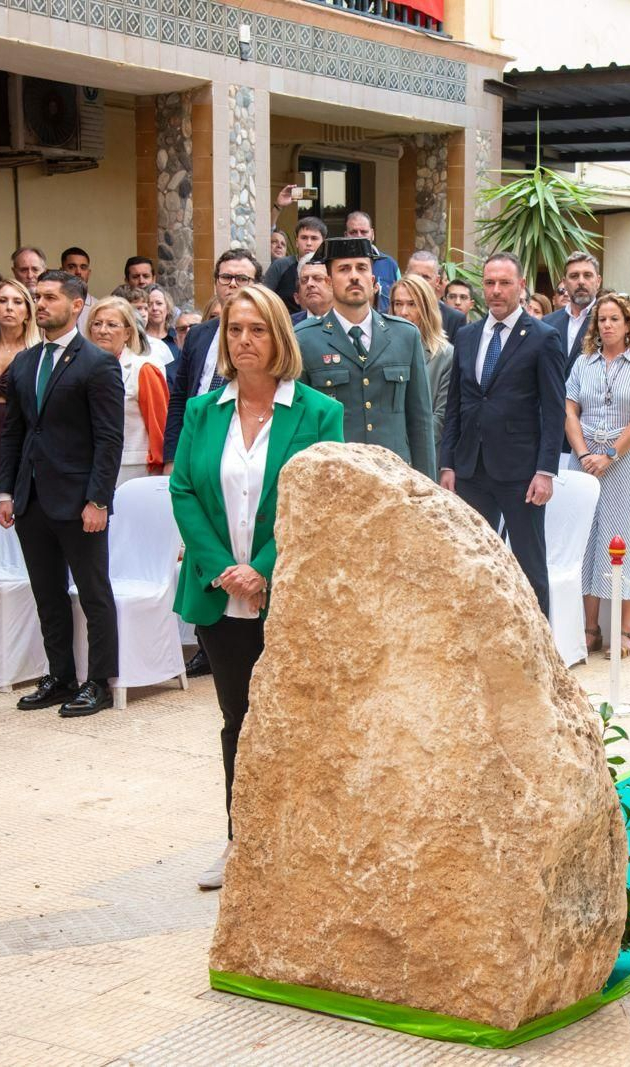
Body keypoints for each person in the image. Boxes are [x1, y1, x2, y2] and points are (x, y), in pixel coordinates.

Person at [170, 283, 344, 889]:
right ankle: (240, 842)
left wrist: (263, 568)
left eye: (257, 329)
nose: (244, 340)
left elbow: (318, 500)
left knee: (300, 719)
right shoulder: (203, 411)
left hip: (286, 592)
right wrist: (225, 568)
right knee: (237, 718)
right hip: (218, 593)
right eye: (235, 330)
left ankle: (304, 844)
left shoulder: (319, 413)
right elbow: (183, 491)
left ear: (279, 337)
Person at [0, 269, 123, 718]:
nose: (41, 304)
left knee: (93, 593)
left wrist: (98, 500)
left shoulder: (97, 362)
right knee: (47, 594)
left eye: (50, 297)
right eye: (38, 297)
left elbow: (109, 438)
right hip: (31, 498)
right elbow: (14, 433)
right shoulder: (25, 362)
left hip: (79, 500)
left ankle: (99, 682)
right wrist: (6, 491)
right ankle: (60, 675)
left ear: (77, 304)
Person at [440, 251, 566, 614]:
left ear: (521, 286)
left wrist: (545, 471)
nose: (496, 291)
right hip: (470, 469)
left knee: (529, 566)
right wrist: (448, 463)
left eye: (505, 283)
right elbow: (455, 405)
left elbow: (554, 410)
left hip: (521, 474)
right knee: (470, 562)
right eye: (490, 283)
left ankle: (539, 642)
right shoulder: (466, 335)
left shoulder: (543, 338)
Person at [296, 237, 436, 478]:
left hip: (395, 479)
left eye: (361, 268)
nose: (354, 276)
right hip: (335, 480)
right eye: (344, 269)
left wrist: (427, 486)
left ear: (372, 280)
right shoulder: (305, 339)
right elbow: (301, 425)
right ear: (329, 281)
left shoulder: (405, 335)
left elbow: (420, 422)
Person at [566, 293, 630, 656]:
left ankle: (625, 628)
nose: (607, 325)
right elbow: (569, 411)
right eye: (602, 319)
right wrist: (584, 454)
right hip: (584, 459)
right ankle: (590, 628)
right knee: (587, 539)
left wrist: (609, 454)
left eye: (614, 319)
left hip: (622, 460)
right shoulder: (583, 363)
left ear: (628, 323)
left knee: (619, 540)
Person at [164, 249, 261, 470]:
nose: (232, 284)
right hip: (194, 441)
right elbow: (180, 397)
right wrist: (171, 458)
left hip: (240, 446)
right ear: (216, 283)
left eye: (242, 278)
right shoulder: (198, 334)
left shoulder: (265, 336)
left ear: (257, 285)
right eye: (226, 277)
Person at [0, 278, 39, 564]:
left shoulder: (38, 354)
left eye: (17, 302)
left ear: (28, 311)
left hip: (22, 433)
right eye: (2, 301)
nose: (9, 308)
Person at [88, 296, 167, 483]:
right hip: (88, 467)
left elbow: (159, 427)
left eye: (112, 325)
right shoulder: (81, 368)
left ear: (128, 333)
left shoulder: (144, 369)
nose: (102, 330)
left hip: (132, 471)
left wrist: (160, 470)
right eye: (97, 324)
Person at [389, 274, 454, 446]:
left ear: (426, 308)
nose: (403, 312)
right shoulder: (379, 350)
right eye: (398, 304)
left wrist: (405, 447)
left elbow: (441, 418)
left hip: (422, 449)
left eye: (412, 304)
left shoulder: (445, 355)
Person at [260, 216, 327, 313]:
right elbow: (263, 299)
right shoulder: (280, 265)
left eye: (314, 238)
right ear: (296, 242)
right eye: (304, 238)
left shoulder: (330, 267)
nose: (308, 243)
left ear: (323, 243)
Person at [544, 252, 600, 365]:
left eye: (587, 275)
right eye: (574, 276)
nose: (581, 282)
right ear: (564, 283)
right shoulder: (548, 322)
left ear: (598, 281)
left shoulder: (608, 321)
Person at [404, 250, 467, 343]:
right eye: (415, 276)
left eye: (426, 277)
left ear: (437, 281)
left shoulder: (454, 319)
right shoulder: (388, 315)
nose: (420, 282)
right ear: (406, 277)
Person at [343, 211, 399, 313]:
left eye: (364, 232)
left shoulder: (390, 264)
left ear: (372, 234)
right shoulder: (339, 266)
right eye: (353, 232)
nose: (359, 236)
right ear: (346, 235)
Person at [60, 247, 97, 330]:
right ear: (61, 272)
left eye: (83, 267)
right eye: (71, 267)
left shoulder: (98, 307)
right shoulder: (52, 304)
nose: (78, 272)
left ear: (88, 273)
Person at [289, 259, 333, 324]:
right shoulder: (288, 324)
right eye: (304, 280)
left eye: (318, 278)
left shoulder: (347, 320)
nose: (309, 284)